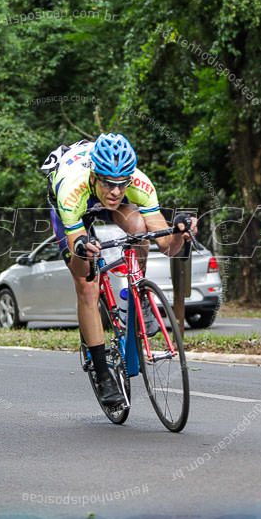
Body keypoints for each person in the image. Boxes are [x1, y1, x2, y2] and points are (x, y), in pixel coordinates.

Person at [43, 133, 198, 404]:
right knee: (87, 284)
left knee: (139, 229)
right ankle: (103, 373)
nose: (116, 191)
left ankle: (138, 293)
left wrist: (179, 234)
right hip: (74, 210)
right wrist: (83, 247)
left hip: (99, 203)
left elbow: (164, 244)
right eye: (109, 183)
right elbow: (77, 244)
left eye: (122, 184)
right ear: (95, 175)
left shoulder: (140, 183)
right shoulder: (71, 189)